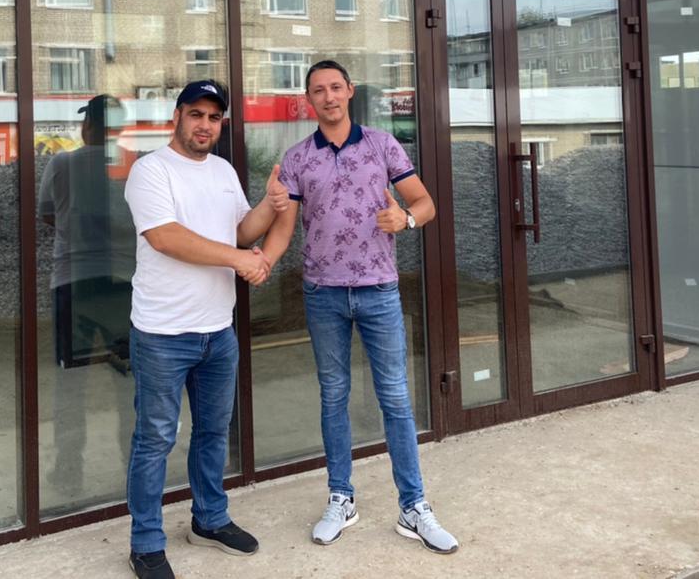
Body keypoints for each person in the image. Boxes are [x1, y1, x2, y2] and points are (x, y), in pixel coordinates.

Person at [262, 59, 460, 554]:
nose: (328, 96)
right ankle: (341, 497)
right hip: (323, 293)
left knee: (394, 397)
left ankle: (413, 506)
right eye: (318, 90)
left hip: (378, 290)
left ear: (349, 91)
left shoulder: (382, 144)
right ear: (308, 100)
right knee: (333, 396)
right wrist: (261, 261)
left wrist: (405, 219)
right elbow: (283, 227)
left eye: (336, 87)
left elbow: (425, 203)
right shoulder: (297, 158)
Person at [122, 79, 278, 579]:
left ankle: (209, 520)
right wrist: (238, 259)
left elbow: (241, 231)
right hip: (163, 334)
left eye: (214, 117)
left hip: (218, 331)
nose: (205, 125)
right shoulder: (150, 170)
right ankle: (146, 542)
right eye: (196, 114)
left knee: (212, 433)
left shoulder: (224, 171)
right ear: (177, 116)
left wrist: (271, 204)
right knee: (155, 438)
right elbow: (165, 237)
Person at [37, 93, 136, 500]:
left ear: (88, 126)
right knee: (128, 381)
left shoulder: (62, 164)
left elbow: (46, 212)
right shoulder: (133, 165)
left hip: (72, 281)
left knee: (70, 384)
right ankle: (134, 469)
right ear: (119, 129)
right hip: (123, 284)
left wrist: (73, 230)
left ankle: (68, 472)